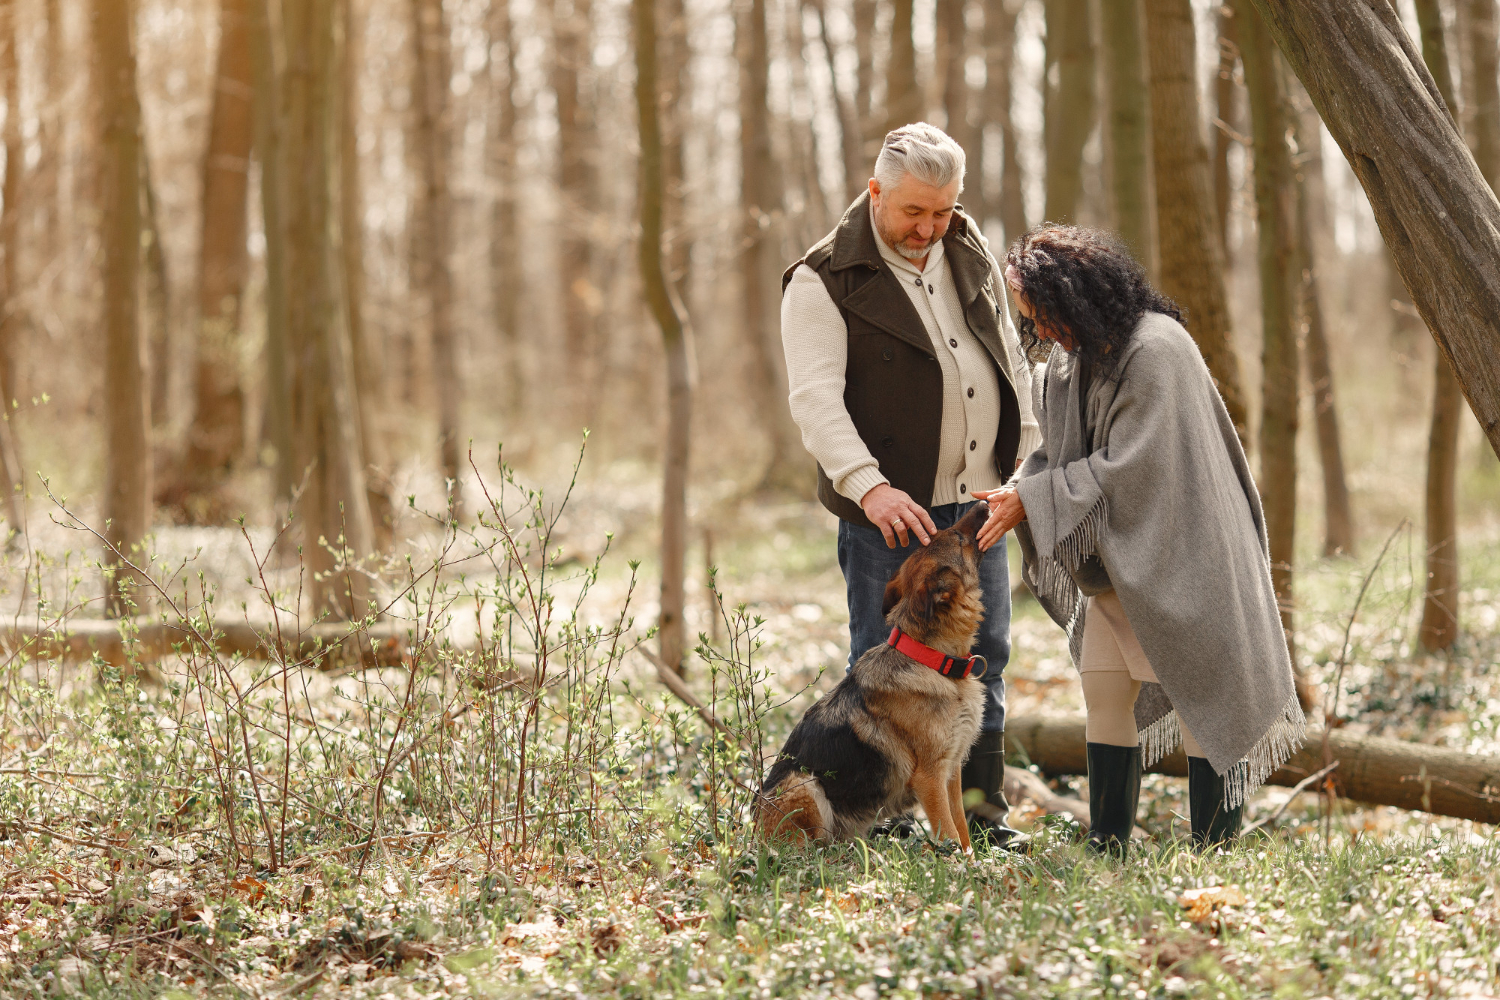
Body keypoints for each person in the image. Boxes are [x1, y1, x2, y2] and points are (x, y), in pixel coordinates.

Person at [975, 225, 1307, 859]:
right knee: (1103, 689)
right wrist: (1021, 492)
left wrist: (1037, 501)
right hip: (1116, 565)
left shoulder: (1157, 348)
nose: (1041, 332)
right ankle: (1110, 851)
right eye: (1030, 321)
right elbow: (1055, 454)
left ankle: (1215, 855)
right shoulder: (1067, 364)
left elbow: (1136, 466)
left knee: (1204, 698)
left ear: (1077, 294)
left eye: (1045, 315)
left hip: (1192, 557)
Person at [779, 123, 1040, 851]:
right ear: (875, 193)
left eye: (943, 210)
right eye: (913, 212)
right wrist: (869, 487)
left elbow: (1009, 360)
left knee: (986, 653)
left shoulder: (968, 247)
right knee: (887, 661)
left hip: (980, 504)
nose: (929, 228)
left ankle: (981, 821)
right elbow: (815, 401)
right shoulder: (823, 278)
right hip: (889, 517)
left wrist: (1024, 469)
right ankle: (892, 824)